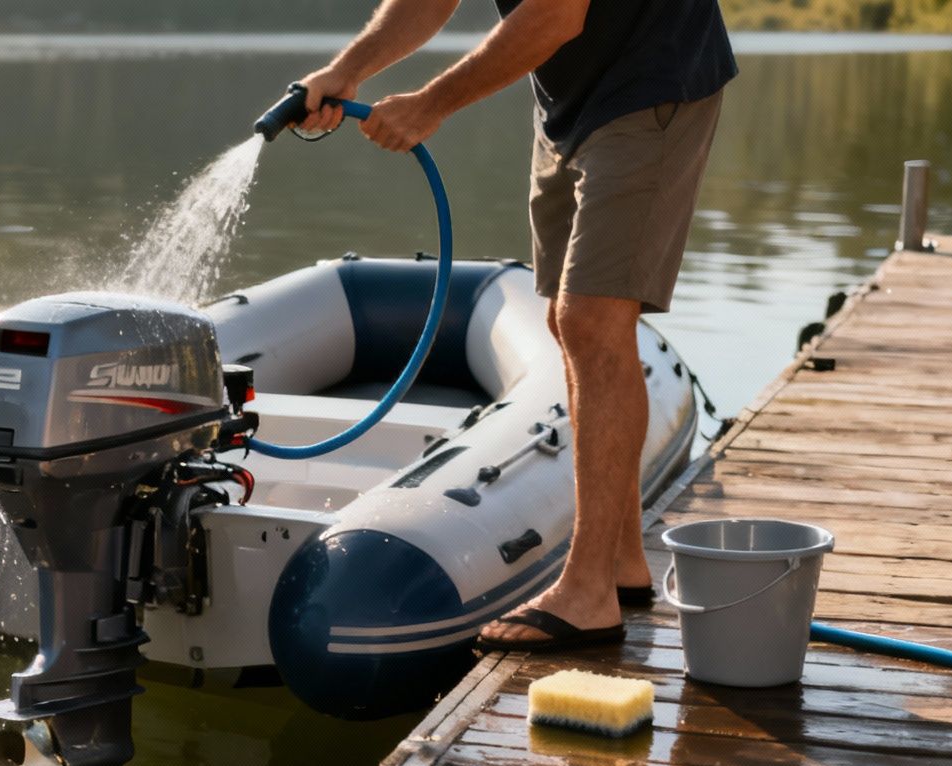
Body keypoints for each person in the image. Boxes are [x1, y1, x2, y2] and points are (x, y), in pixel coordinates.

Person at [296, 0, 736, 652]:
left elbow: (555, 15)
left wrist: (431, 104)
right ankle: (619, 563)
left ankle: (589, 594)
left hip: (652, 81)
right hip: (569, 101)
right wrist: (348, 68)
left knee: (593, 320)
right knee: (571, 322)